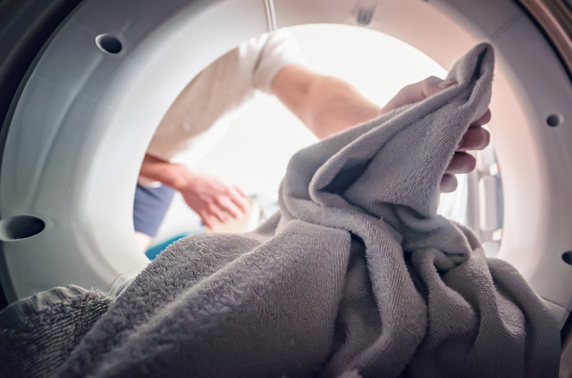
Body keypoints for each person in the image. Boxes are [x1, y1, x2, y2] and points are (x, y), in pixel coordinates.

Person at [134, 29, 490, 251]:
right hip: (145, 167)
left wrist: (385, 125)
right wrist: (182, 178)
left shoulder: (255, 33)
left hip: (152, 183)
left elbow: (312, 93)